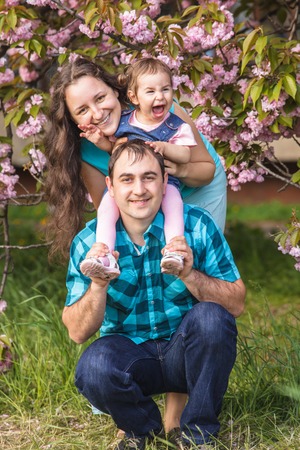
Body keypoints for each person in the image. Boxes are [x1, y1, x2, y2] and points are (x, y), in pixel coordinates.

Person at [43, 57, 225, 439]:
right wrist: (104, 252)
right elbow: (111, 207)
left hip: (195, 185)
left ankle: (179, 415)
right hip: (146, 195)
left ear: (119, 93)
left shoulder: (155, 103)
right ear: (75, 121)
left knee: (188, 290)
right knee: (143, 277)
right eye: (83, 110)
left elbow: (204, 168)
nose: (96, 112)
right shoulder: (90, 152)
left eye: (101, 98)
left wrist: (169, 172)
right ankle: (132, 402)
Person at [63, 140, 246, 450]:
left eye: (149, 177)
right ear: (110, 185)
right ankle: (140, 428)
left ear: (164, 182)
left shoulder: (197, 226)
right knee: (93, 366)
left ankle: (198, 434)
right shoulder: (89, 243)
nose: (139, 189)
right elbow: (78, 332)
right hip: (131, 358)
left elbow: (237, 303)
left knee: (213, 319)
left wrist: (189, 274)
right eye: (127, 179)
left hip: (185, 351)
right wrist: (98, 286)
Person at [79, 58, 198, 280]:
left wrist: (165, 147)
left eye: (165, 89)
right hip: (128, 183)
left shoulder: (175, 125)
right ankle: (104, 254)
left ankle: (175, 249)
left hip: (164, 182)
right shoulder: (126, 120)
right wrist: (99, 142)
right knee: (106, 210)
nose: (160, 97)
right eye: (151, 91)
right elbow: (115, 150)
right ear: (134, 97)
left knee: (174, 206)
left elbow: (186, 155)